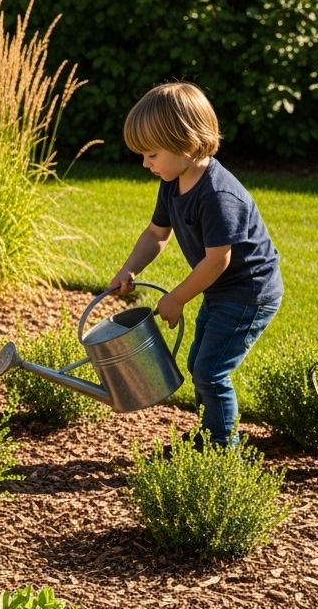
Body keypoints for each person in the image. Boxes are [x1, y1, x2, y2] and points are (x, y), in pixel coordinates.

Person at [109, 82, 282, 448]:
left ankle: (220, 449)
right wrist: (129, 269)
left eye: (152, 154)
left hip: (250, 293)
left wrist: (176, 298)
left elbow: (219, 260)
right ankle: (209, 436)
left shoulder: (218, 195)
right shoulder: (172, 182)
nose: (145, 164)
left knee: (211, 370)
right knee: (199, 365)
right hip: (222, 292)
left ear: (186, 142)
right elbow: (157, 233)